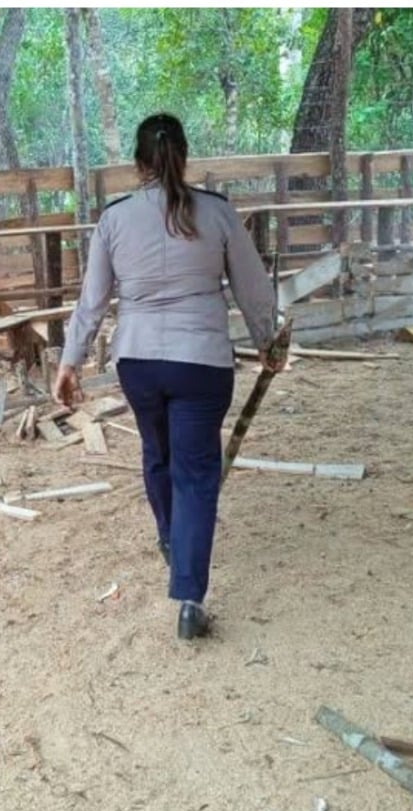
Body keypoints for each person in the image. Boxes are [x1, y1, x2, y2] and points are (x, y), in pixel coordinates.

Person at [54, 113, 280, 640]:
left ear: (139, 164)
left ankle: (169, 536)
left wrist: (70, 362)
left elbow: (92, 301)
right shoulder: (218, 214)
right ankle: (189, 597)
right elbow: (253, 289)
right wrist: (268, 340)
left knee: (156, 455)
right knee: (196, 473)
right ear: (184, 155)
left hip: (138, 363)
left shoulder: (115, 219)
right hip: (201, 361)